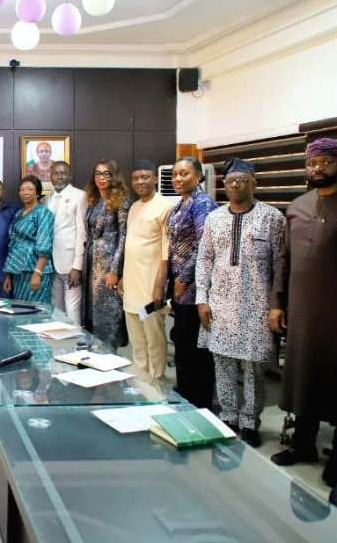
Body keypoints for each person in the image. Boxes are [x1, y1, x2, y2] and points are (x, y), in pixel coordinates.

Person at [271, 138, 337, 486]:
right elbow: (283, 260)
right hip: (301, 312)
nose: (317, 168)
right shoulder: (297, 206)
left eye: (326, 162)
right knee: (303, 378)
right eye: (312, 162)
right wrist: (276, 303)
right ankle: (303, 444)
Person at [195, 158, 286, 447]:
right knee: (222, 364)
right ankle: (228, 417)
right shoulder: (214, 218)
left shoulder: (272, 218)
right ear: (224, 185)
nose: (235, 184)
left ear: (253, 183)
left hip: (256, 307)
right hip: (219, 304)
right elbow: (204, 260)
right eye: (231, 180)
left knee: (253, 368)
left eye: (242, 180)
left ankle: (250, 421)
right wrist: (201, 299)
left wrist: (276, 305)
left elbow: (281, 265)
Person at [166, 156, 218, 410]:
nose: (178, 178)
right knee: (183, 341)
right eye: (175, 174)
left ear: (198, 176)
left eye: (184, 174)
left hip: (196, 287)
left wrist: (184, 278)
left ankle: (200, 401)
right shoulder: (180, 204)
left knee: (197, 347)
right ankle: (185, 391)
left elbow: (204, 246)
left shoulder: (203, 204)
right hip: (179, 287)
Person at [120, 160, 171, 381]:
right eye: (136, 178)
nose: (140, 181)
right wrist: (123, 276)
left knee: (154, 338)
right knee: (137, 340)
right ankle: (142, 383)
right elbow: (131, 245)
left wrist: (159, 287)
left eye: (145, 177)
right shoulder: (134, 207)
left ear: (155, 179)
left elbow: (166, 253)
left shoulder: (165, 206)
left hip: (151, 288)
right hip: (131, 285)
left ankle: (157, 381)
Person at [82, 160, 131, 350]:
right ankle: (96, 359)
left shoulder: (122, 199)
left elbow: (124, 236)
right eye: (98, 174)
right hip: (91, 263)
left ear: (114, 176)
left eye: (106, 174)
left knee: (108, 316)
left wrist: (115, 271)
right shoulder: (94, 201)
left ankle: (109, 360)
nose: (101, 178)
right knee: (92, 315)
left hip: (109, 264)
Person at [3, 176, 54, 303]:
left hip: (36, 269)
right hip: (18, 269)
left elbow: (45, 244)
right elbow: (13, 242)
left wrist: (37, 273)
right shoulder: (19, 213)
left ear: (37, 193)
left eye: (30, 189)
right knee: (20, 309)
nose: (25, 192)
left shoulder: (43, 213)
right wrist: (9, 274)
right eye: (22, 189)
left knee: (37, 311)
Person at [47, 161, 86, 324]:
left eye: (63, 173)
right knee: (56, 308)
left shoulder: (80, 195)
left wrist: (77, 266)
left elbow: (82, 232)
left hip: (71, 263)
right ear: (50, 176)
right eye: (56, 173)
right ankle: (60, 347)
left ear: (70, 176)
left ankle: (76, 345)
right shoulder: (47, 199)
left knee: (72, 309)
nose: (59, 176)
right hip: (51, 262)